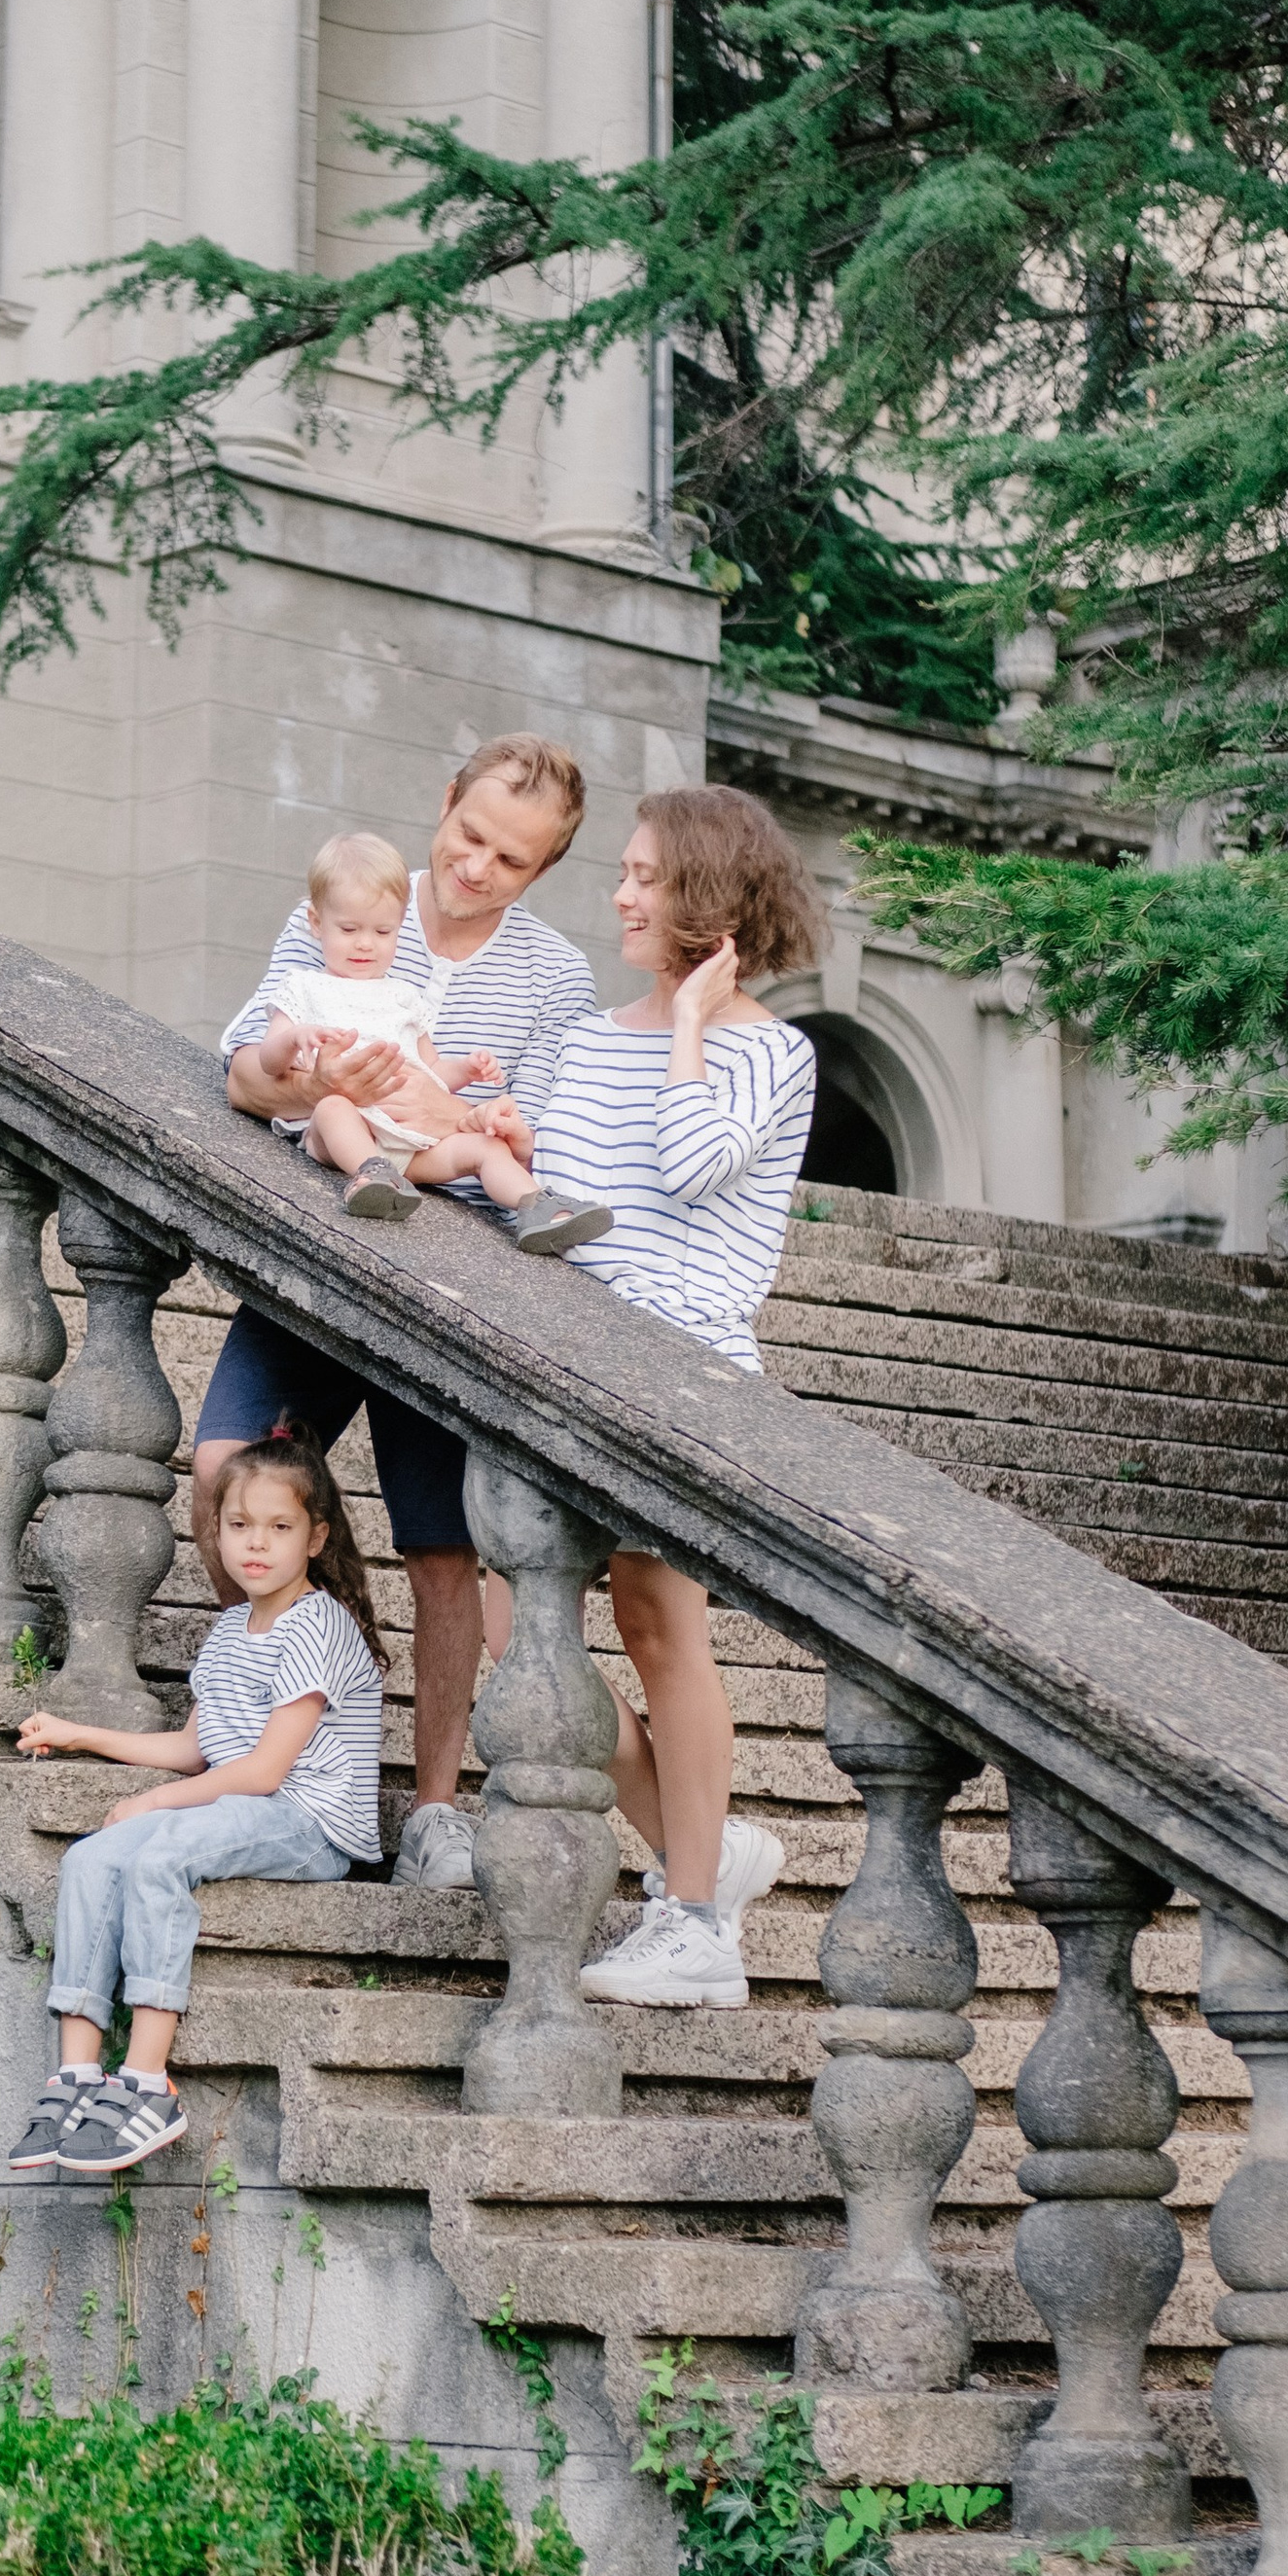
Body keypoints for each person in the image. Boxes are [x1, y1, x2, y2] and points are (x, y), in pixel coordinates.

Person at [202, 734, 595, 1892]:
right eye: (469, 836)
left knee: (444, 1557)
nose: (476, 868)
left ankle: (431, 1809)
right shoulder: (352, 899)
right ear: (445, 802)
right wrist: (320, 1080)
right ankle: (286, 1716)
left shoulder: (555, 977)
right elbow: (244, 1075)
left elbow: (530, 1128)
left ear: (544, 868)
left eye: (510, 860)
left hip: (451, 1279)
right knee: (221, 1473)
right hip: (322, 1249)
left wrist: (482, 1117)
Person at [526, 785, 823, 2012]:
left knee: (659, 1629)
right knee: (515, 1630)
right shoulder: (587, 1038)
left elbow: (695, 1166)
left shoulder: (772, 1051)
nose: (621, 896)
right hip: (557, 1362)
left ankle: (695, 1924)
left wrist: (693, 1021)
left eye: (646, 876)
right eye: (623, 873)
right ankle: (698, 1854)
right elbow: (544, 1193)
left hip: (682, 1370)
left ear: (709, 891)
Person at [4, 1426, 385, 2179]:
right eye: (239, 1525)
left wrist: (154, 1804)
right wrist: (81, 1735)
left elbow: (266, 1771)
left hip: (311, 1821)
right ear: (217, 1530)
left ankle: (147, 2084)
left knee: (160, 1854)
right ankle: (75, 2078)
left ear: (316, 1538)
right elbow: (193, 1747)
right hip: (243, 1806)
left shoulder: (318, 1625)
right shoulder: (231, 1629)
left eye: (279, 1528)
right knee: (90, 1859)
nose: (256, 1543)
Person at [259, 828, 612, 1250]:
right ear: (317, 923)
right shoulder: (303, 986)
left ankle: (537, 1206)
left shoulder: (403, 995)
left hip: (409, 1147)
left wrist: (467, 1070)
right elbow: (267, 1061)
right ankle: (369, 1176)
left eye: (383, 932)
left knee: (485, 1147)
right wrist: (295, 1038)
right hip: (343, 1137)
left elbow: (432, 1071)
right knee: (333, 1106)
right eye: (349, 929)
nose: (365, 944)